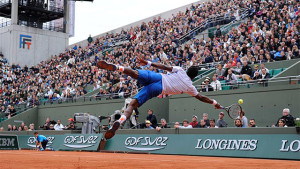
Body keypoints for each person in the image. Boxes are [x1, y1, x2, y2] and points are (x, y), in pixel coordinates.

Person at [98, 58, 222, 139]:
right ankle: (119, 122)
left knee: (135, 73)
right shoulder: (190, 87)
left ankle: (116, 67)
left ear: (188, 70)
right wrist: (215, 102)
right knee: (132, 105)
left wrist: (148, 63)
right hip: (159, 89)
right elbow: (201, 97)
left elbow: (163, 67)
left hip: (157, 77)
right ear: (194, 77)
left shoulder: (180, 70)